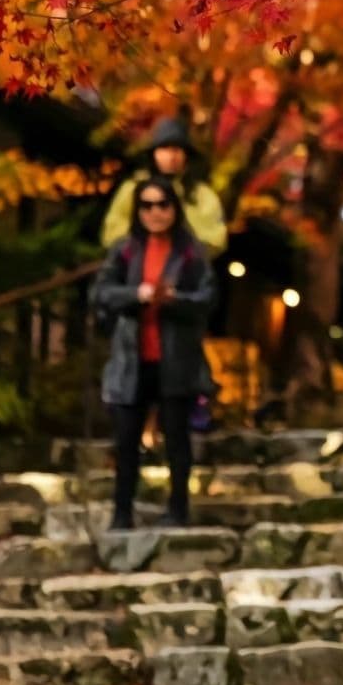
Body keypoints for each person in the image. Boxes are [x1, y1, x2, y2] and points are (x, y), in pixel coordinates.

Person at [94, 182, 216, 530]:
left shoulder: (192, 252)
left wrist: (174, 298)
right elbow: (102, 292)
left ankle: (178, 507)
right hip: (132, 358)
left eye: (163, 204)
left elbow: (208, 297)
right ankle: (122, 511)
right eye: (147, 206)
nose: (155, 212)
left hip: (175, 358)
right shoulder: (126, 249)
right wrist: (138, 294)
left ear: (175, 208)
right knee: (127, 440)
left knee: (177, 438)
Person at [101, 115, 228, 256]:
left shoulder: (202, 195)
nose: (171, 156)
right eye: (165, 149)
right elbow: (112, 233)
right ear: (154, 153)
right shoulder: (133, 188)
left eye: (177, 150)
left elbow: (216, 240)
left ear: (186, 155)